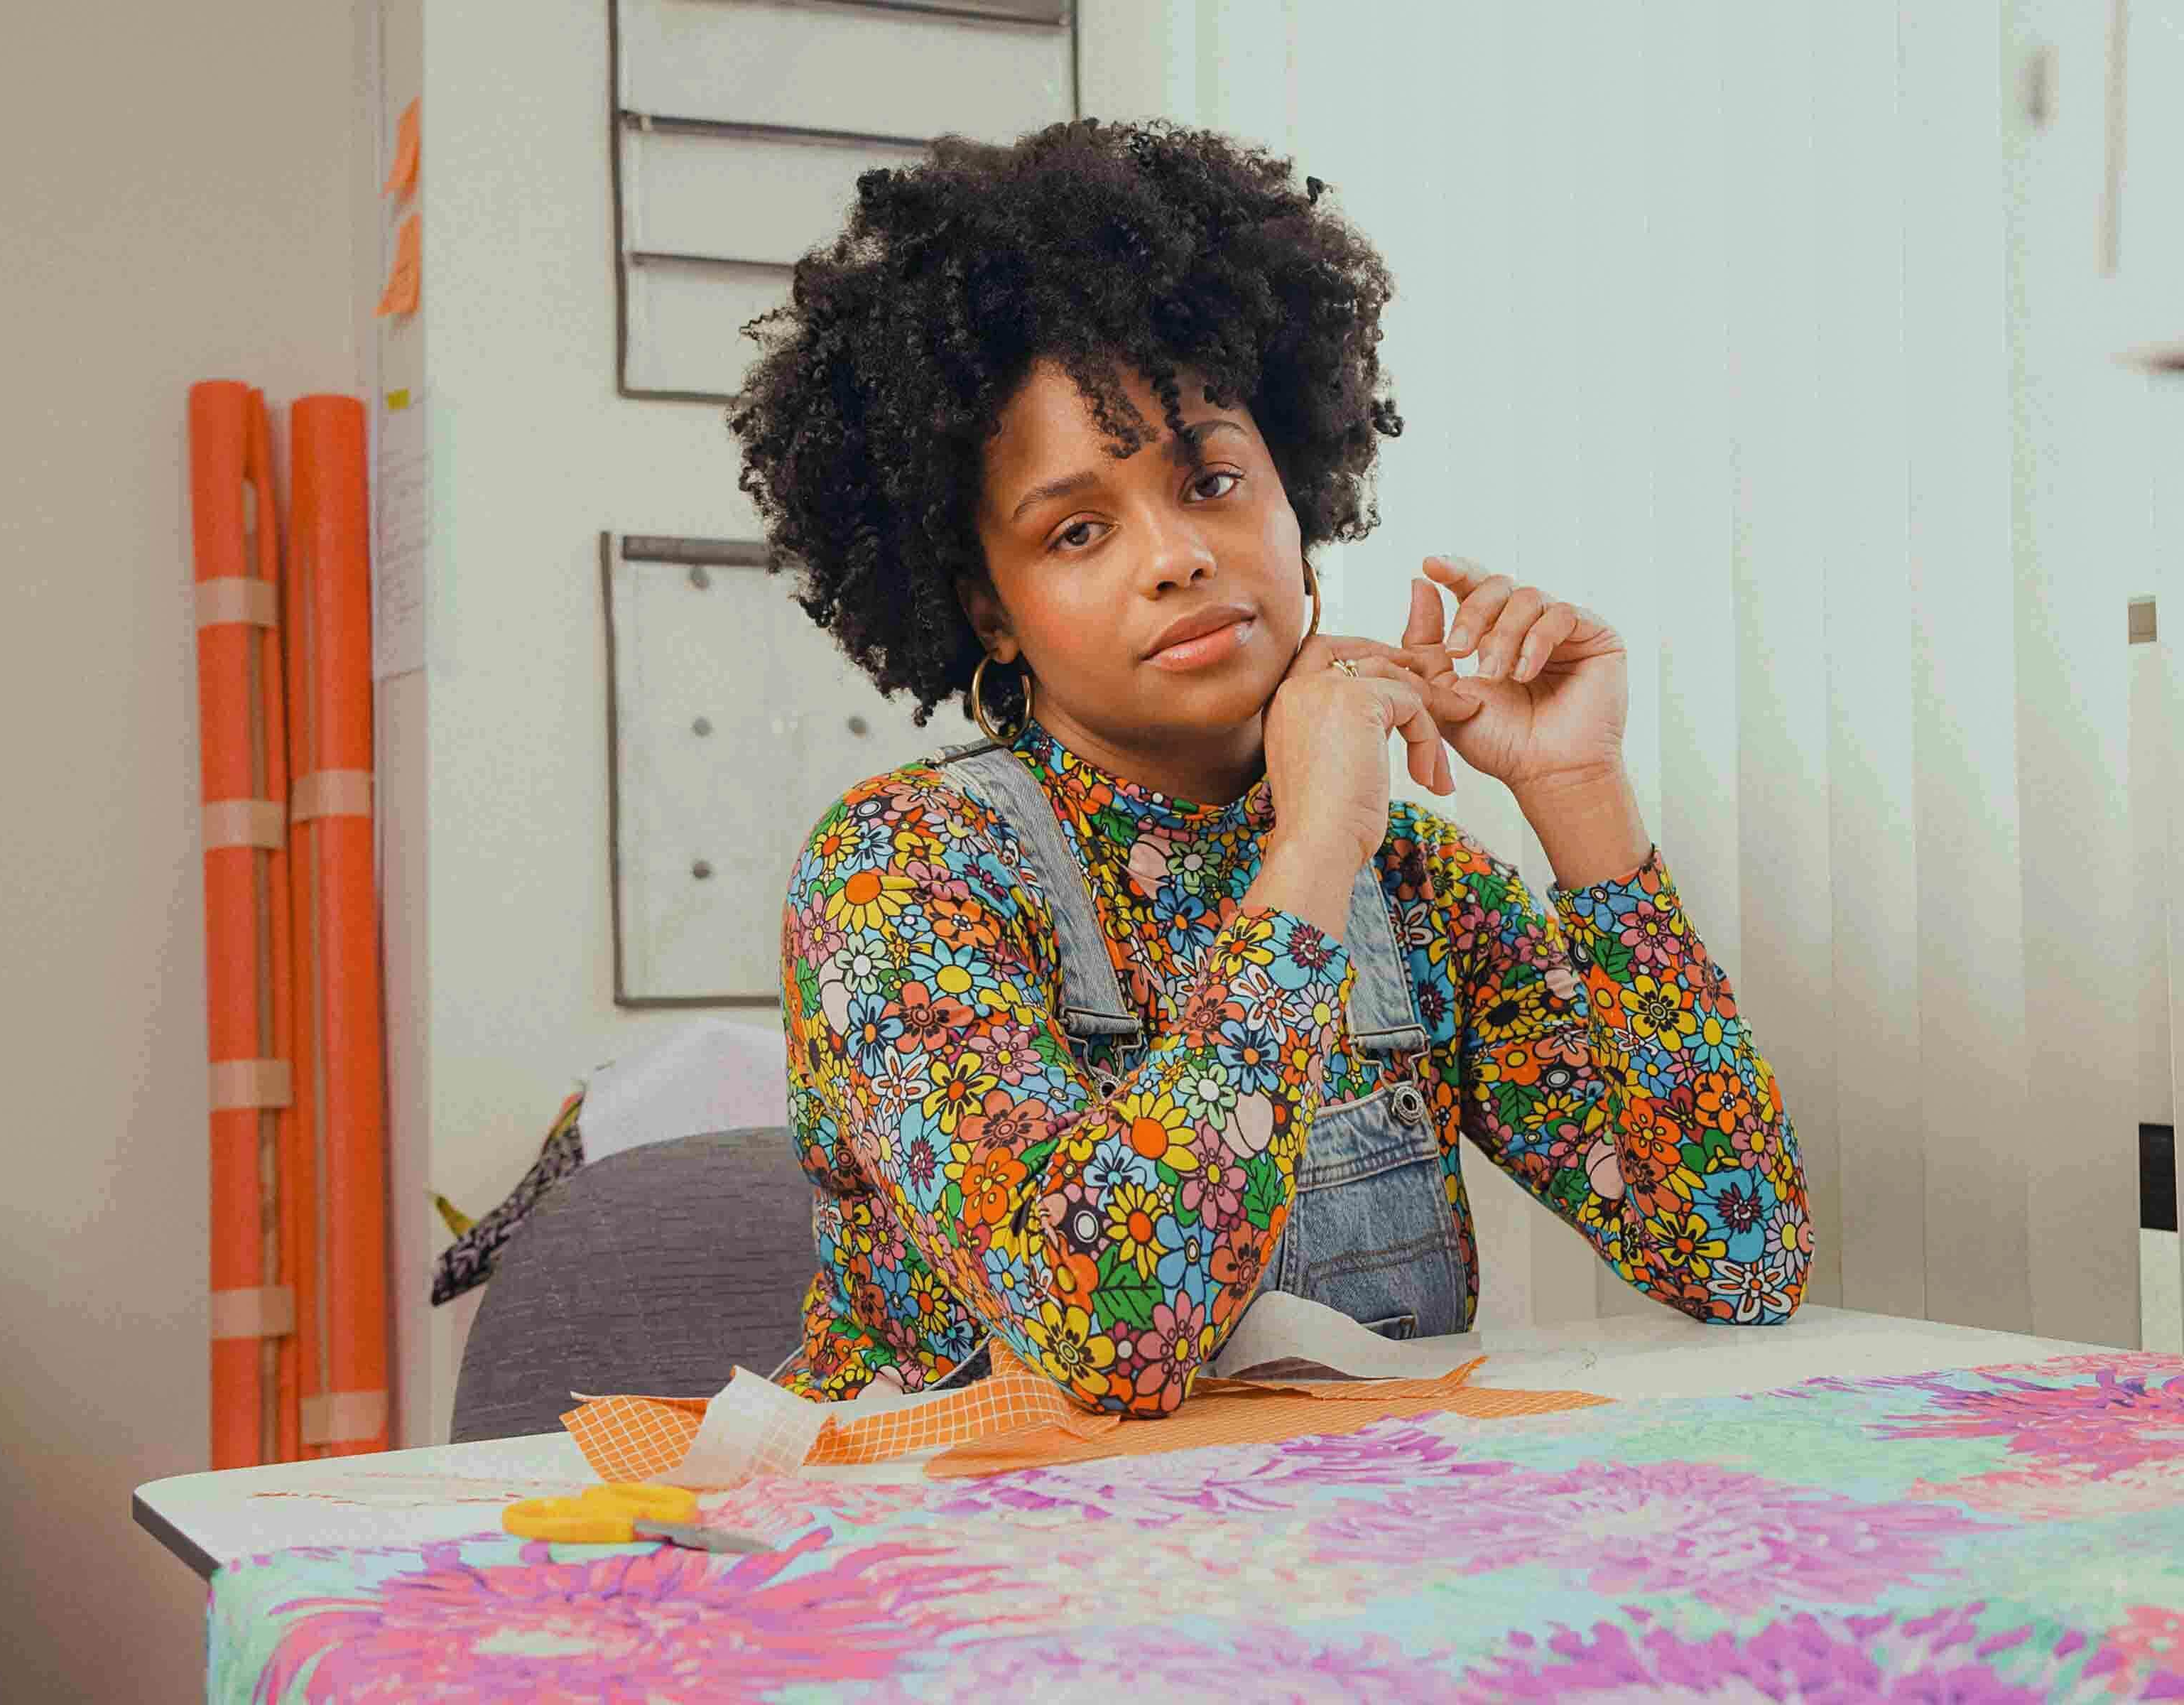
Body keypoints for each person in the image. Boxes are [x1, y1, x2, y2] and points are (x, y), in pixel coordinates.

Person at [727, 119, 1810, 1416]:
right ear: (988, 610)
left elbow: (1743, 1258)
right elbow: (1119, 1333)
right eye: (1078, 529)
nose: (1176, 554)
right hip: (998, 1578)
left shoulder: (1419, 891)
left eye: (1216, 480)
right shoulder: (905, 875)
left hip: (1341, 1570)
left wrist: (1578, 795)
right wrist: (1308, 857)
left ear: (1303, 506)